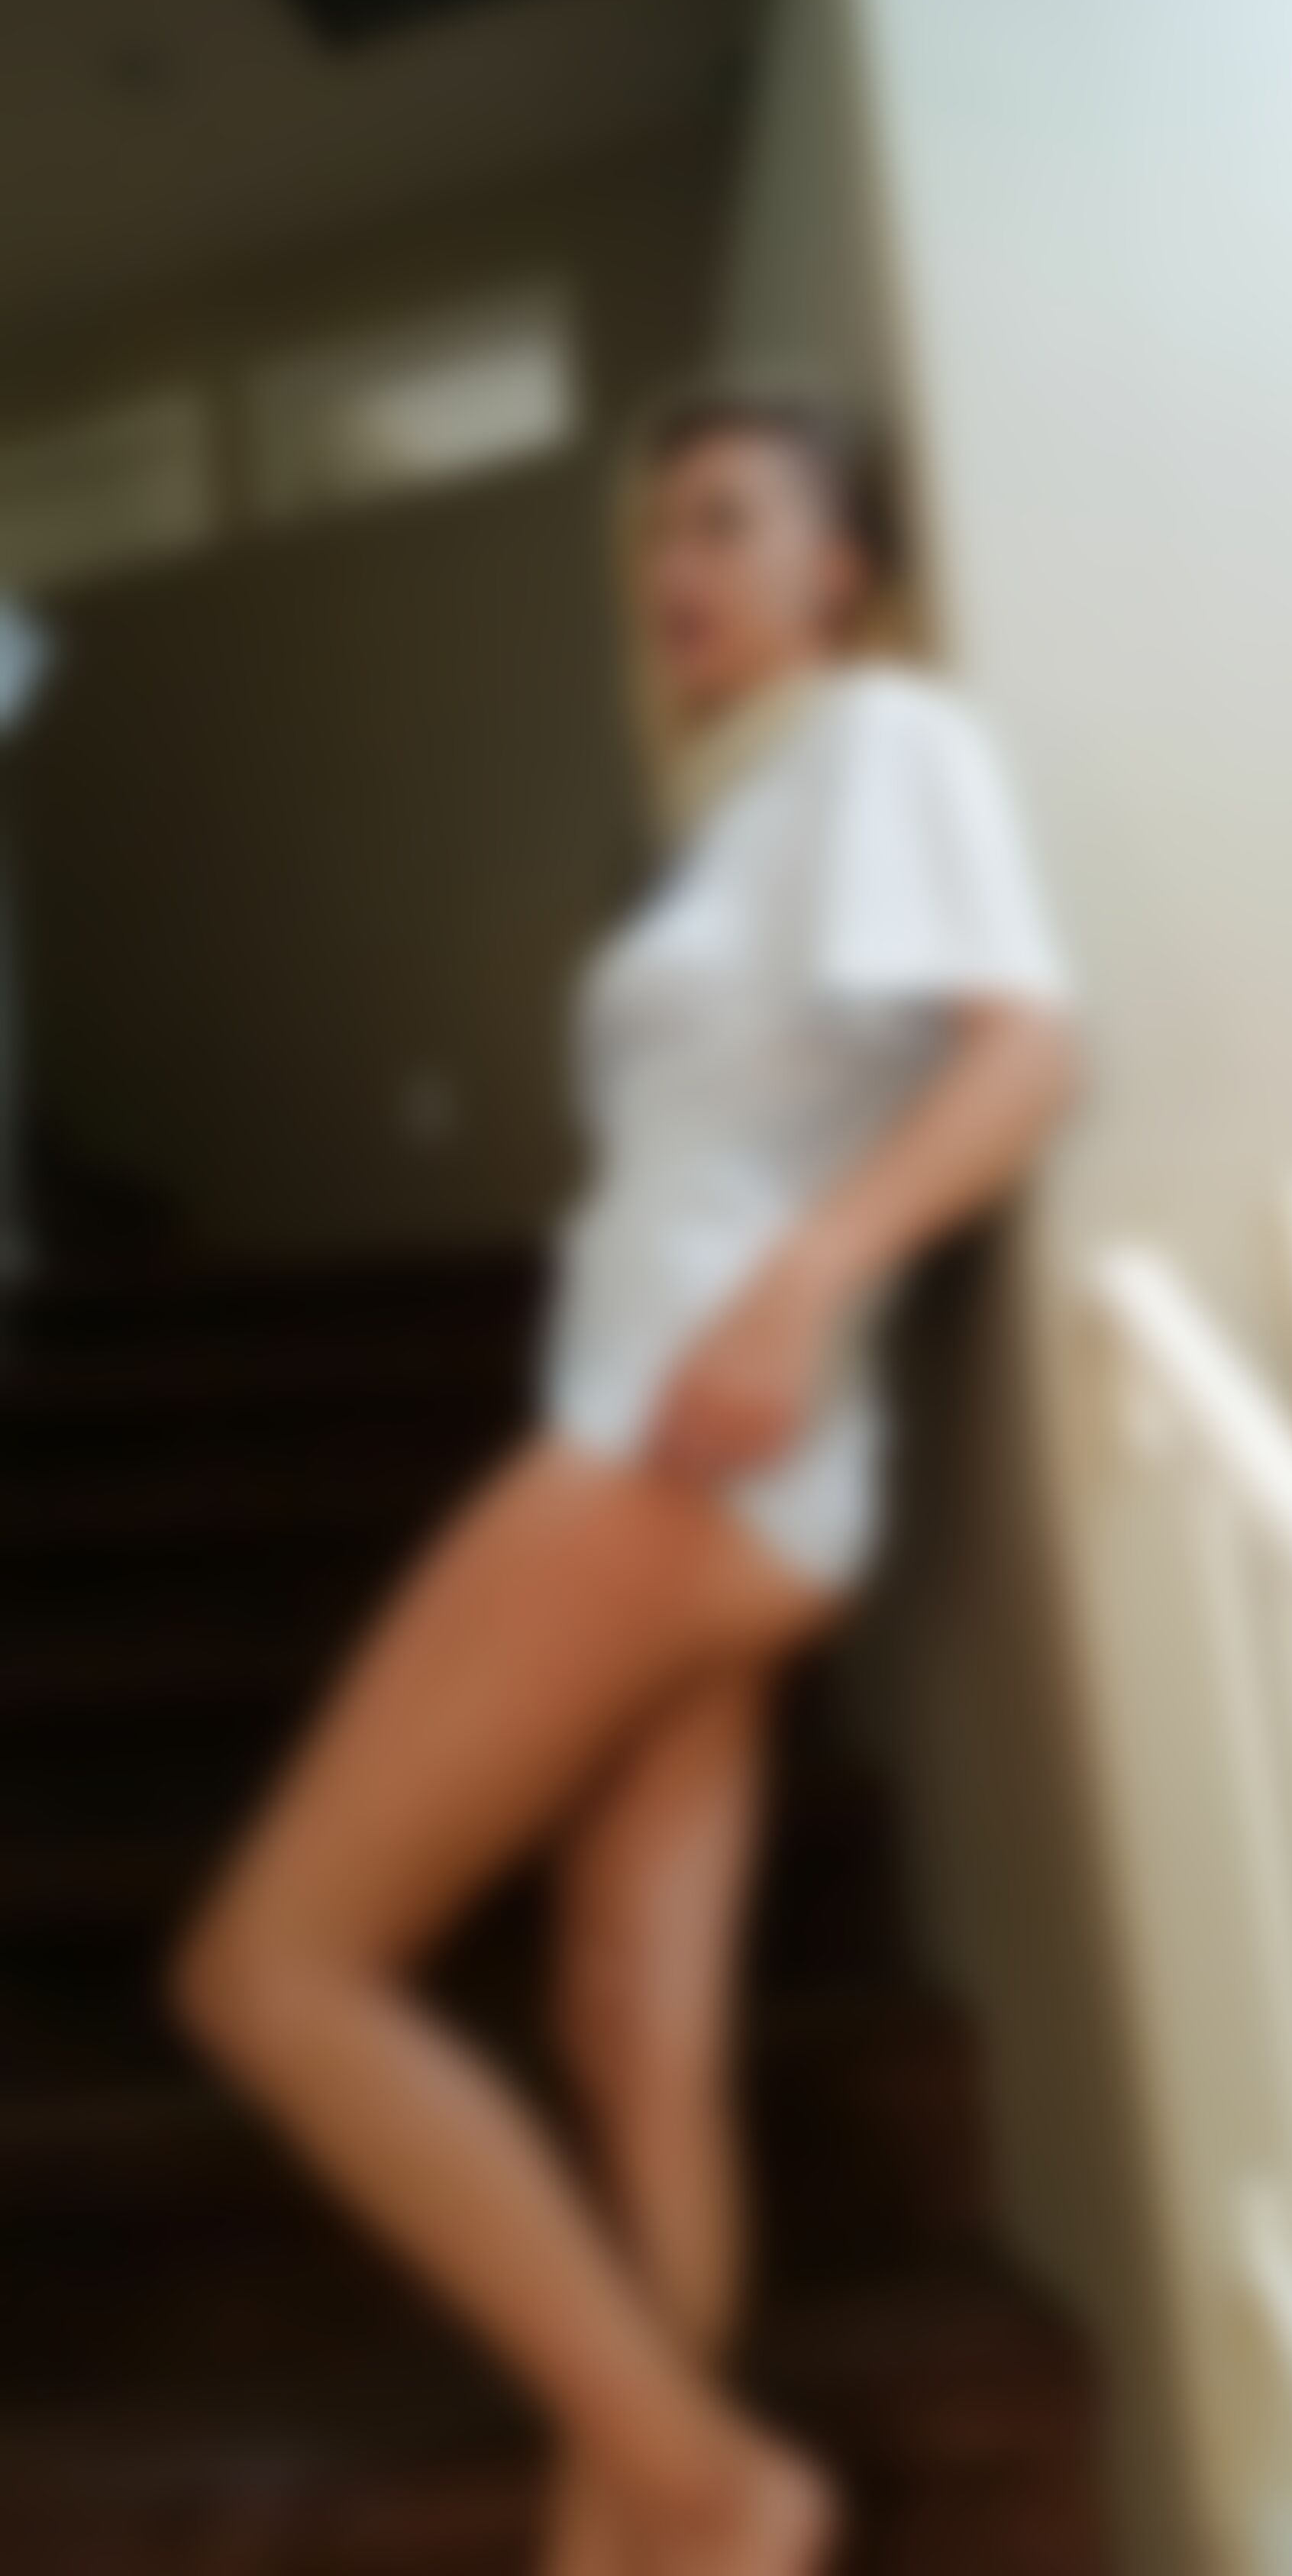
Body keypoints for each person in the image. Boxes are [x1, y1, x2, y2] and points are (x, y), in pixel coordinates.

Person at [166, 376, 1088, 2576]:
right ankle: (646, 2542)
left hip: (683, 1437)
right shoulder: (739, 811)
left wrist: (802, 1287)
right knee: (630, 2026)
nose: (679, 567)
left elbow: (1025, 1046)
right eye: (663, 533)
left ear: (834, 568)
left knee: (271, 1974)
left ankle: (706, 2486)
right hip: (686, 1436)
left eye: (730, 520)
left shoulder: (884, 737)